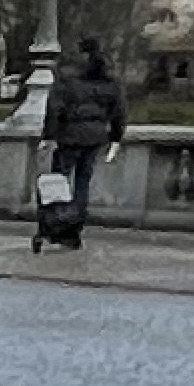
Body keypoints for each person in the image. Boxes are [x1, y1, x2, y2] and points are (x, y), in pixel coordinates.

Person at [40, 38, 128, 251]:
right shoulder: (107, 79)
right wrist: (115, 138)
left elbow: (55, 108)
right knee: (83, 184)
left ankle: (58, 224)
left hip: (70, 135)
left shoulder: (68, 77)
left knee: (60, 182)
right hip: (94, 137)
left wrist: (48, 136)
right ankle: (75, 227)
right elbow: (119, 111)